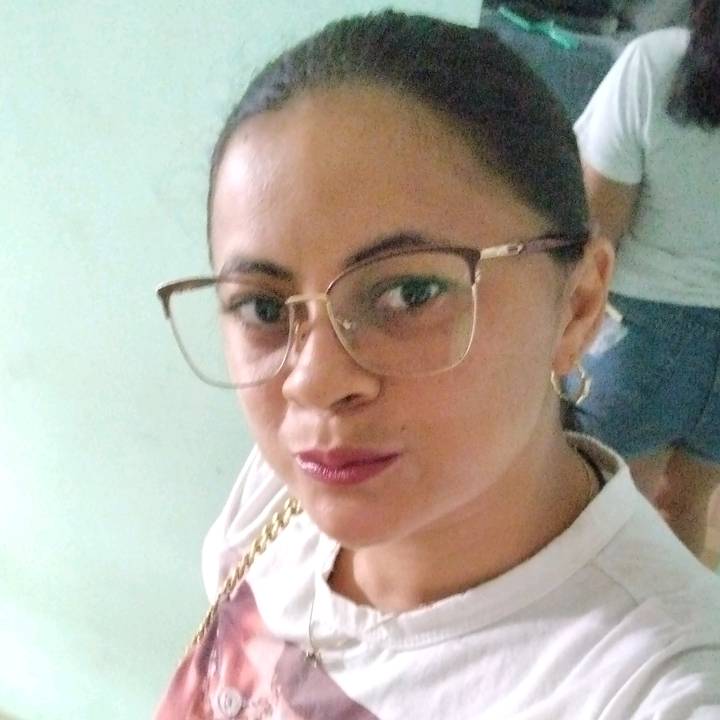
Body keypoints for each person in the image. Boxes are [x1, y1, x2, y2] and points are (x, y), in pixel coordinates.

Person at [154, 11, 720, 719]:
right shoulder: (288, 489)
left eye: (410, 293)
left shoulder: (651, 687)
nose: (313, 382)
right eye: (264, 307)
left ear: (577, 306)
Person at [574, 0, 720, 560]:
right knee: (684, 507)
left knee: (600, 521)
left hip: (639, 340)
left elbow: (599, 234)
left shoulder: (657, 65)